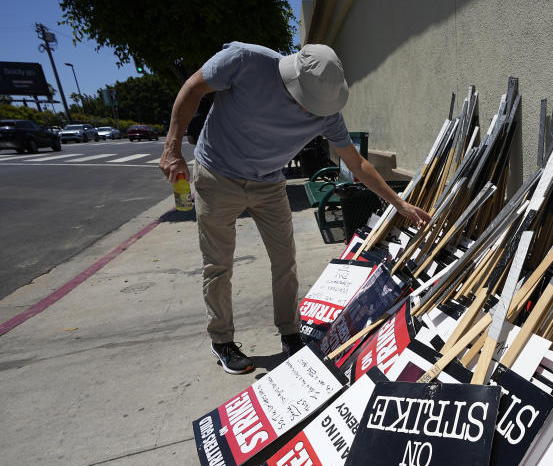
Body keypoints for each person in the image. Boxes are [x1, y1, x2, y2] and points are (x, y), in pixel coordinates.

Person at [160, 42, 430, 375]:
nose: (308, 113)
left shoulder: (327, 112)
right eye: (305, 103)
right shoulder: (245, 61)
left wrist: (399, 202)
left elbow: (357, 163)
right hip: (217, 172)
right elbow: (193, 87)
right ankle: (222, 341)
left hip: (268, 182)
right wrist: (172, 147)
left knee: (285, 260)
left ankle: (290, 333)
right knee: (218, 264)